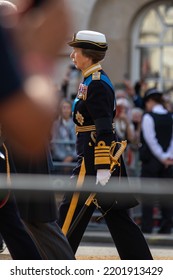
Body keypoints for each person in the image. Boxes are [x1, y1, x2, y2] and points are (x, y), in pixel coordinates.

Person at [57, 30, 153, 260]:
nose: (72, 56)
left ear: (87, 55)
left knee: (69, 212)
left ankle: (54, 261)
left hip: (94, 160)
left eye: (76, 51)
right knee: (118, 218)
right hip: (96, 160)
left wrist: (100, 166)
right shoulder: (90, 79)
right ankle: (142, 264)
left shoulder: (97, 83)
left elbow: (103, 128)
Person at [0, 0, 74, 259]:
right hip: (16, 156)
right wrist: (40, 58)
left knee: (31, 225)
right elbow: (31, 125)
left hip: (20, 161)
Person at [139, 87, 173, 234]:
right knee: (167, 196)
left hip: (151, 162)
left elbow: (151, 140)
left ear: (151, 101)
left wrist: (161, 157)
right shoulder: (170, 116)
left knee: (148, 196)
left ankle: (147, 227)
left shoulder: (148, 117)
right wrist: (167, 157)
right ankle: (166, 226)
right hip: (168, 162)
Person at [51, 98, 77, 174]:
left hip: (73, 157)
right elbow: (54, 144)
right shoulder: (55, 125)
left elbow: (78, 142)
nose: (66, 110)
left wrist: (71, 157)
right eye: (64, 108)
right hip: (60, 158)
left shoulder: (76, 124)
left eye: (68, 108)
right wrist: (64, 158)